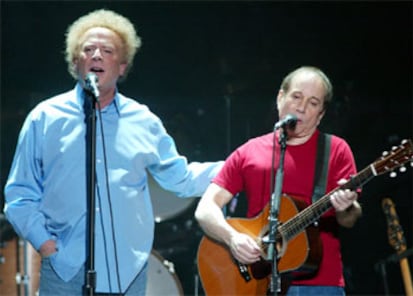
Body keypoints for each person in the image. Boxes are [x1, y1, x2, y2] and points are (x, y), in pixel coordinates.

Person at [3, 9, 223, 295]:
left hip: (126, 269)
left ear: (121, 66)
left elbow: (179, 178)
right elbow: (20, 194)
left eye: (107, 50)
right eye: (88, 49)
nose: (96, 55)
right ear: (75, 61)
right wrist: (47, 246)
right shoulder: (44, 118)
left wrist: (238, 166)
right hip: (64, 268)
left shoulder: (143, 121)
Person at [195, 66, 362, 296]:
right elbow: (205, 209)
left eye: (313, 103)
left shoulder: (335, 150)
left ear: (321, 114)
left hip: (319, 285)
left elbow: (349, 219)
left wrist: (347, 207)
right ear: (280, 98)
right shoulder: (249, 151)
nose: (301, 107)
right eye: (296, 97)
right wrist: (232, 238)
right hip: (255, 285)